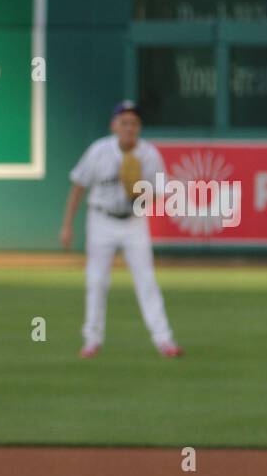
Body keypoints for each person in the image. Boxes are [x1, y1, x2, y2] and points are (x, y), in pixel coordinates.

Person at [59, 100, 182, 358]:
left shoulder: (149, 155)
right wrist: (67, 225)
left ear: (139, 127)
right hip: (101, 220)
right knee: (97, 281)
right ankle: (92, 340)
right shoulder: (98, 151)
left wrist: (138, 192)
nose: (129, 127)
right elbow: (78, 185)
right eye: (124, 122)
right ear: (114, 126)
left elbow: (158, 194)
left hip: (134, 221)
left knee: (146, 281)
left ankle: (164, 341)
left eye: (134, 123)